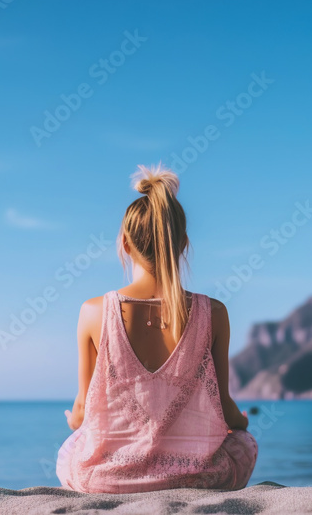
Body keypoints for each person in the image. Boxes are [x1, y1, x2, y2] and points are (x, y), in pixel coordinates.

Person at [56, 163, 257, 493]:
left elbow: (81, 414)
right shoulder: (214, 313)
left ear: (124, 243)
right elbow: (224, 408)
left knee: (70, 449)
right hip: (196, 479)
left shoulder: (93, 312)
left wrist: (74, 421)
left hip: (108, 481)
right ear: (184, 244)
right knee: (245, 444)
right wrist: (242, 423)